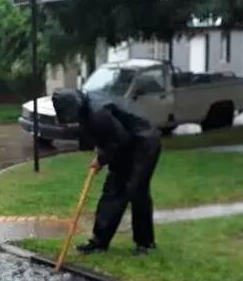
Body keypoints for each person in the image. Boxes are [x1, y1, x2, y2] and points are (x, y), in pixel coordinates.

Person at [51, 88, 162, 255]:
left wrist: (101, 159)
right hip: (125, 143)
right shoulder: (85, 107)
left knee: (136, 191)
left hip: (144, 143)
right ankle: (99, 241)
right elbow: (109, 138)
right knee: (113, 190)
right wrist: (102, 154)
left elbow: (119, 139)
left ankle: (146, 243)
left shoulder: (98, 113)